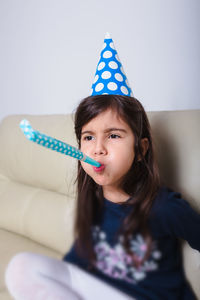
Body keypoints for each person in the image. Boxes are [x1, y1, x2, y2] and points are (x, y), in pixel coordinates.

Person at [5, 34, 200, 300]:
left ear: (141, 149)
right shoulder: (93, 199)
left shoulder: (165, 207)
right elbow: (81, 262)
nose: (98, 148)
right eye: (88, 137)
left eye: (113, 135)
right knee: (21, 267)